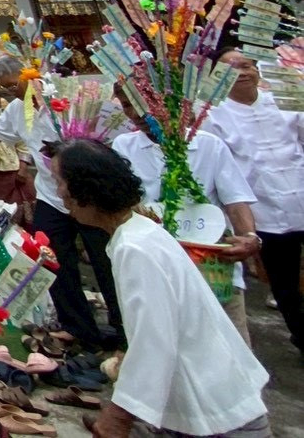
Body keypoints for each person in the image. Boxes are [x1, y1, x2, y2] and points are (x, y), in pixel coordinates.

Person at [53, 140, 270, 438]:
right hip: (209, 402)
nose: (58, 193)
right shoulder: (139, 233)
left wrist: (118, 417)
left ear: (83, 192)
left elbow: (154, 342)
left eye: (60, 182)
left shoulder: (135, 248)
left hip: (218, 415)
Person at [0, 56, 123, 351]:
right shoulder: (15, 111)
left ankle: (123, 330)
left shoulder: (61, 98)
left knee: (105, 260)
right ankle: (79, 329)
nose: (9, 90)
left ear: (27, 74)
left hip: (86, 197)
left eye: (12, 84)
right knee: (51, 259)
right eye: (4, 87)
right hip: (51, 196)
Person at [112, 88, 260, 343]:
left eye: (140, 104)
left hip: (211, 268)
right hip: (155, 266)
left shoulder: (209, 146)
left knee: (232, 350)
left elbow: (235, 200)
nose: (134, 114)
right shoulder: (124, 146)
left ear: (164, 100)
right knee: (167, 348)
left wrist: (249, 237)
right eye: (126, 105)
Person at [203, 49, 304, 360]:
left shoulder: (284, 102)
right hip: (262, 210)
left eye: (246, 65)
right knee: (284, 282)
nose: (242, 72)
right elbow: (217, 169)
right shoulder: (212, 115)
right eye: (232, 68)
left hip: (300, 194)